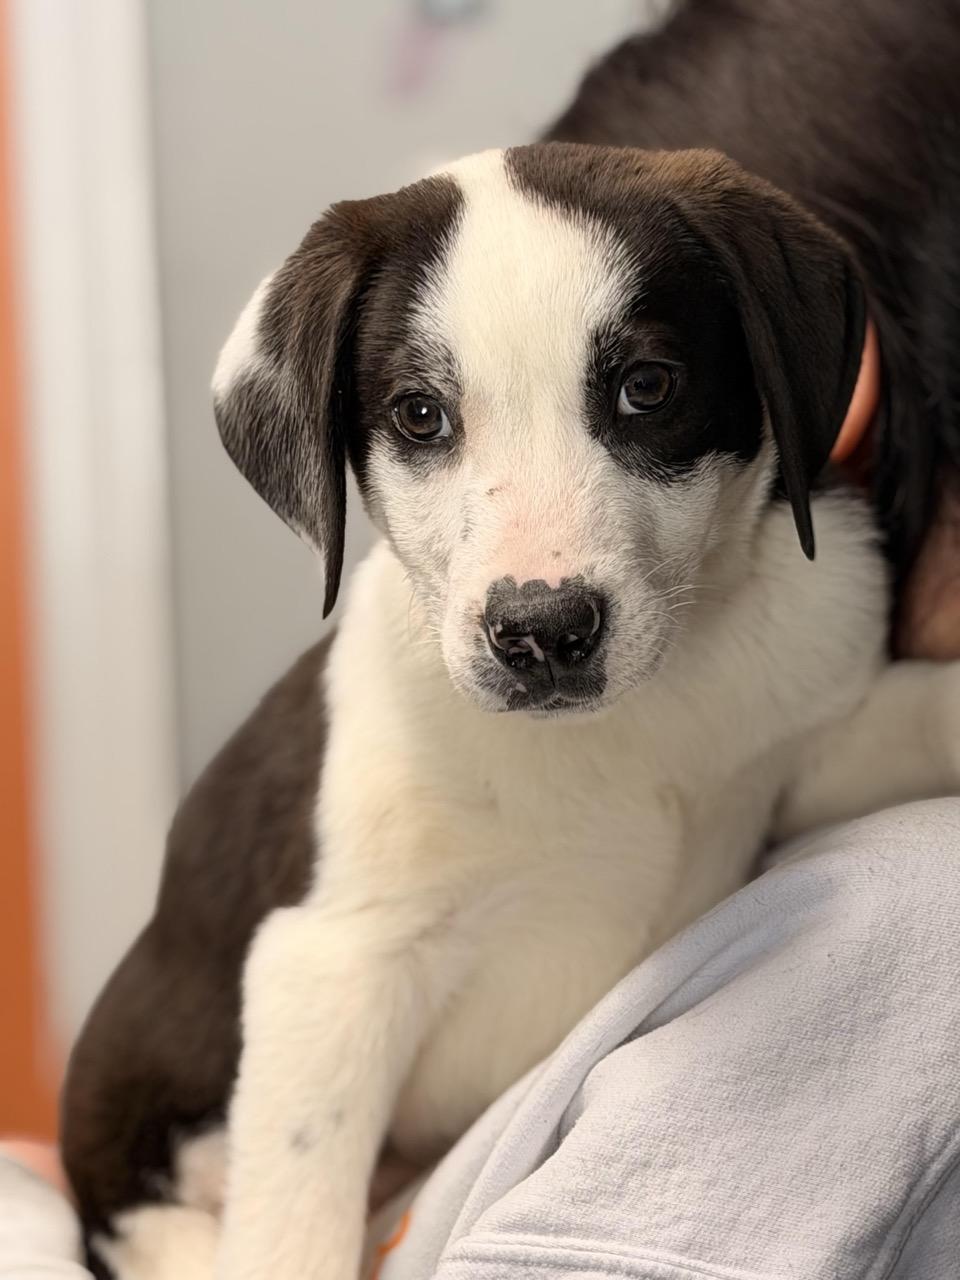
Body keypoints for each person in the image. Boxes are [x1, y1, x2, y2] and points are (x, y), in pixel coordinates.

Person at [4, 500, 958, 1278]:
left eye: (644, 391)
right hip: (187, 1164)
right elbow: (337, 976)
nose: (540, 577)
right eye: (425, 419)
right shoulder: (401, 688)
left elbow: (822, 755)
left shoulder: (813, 617)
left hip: (485, 1147)